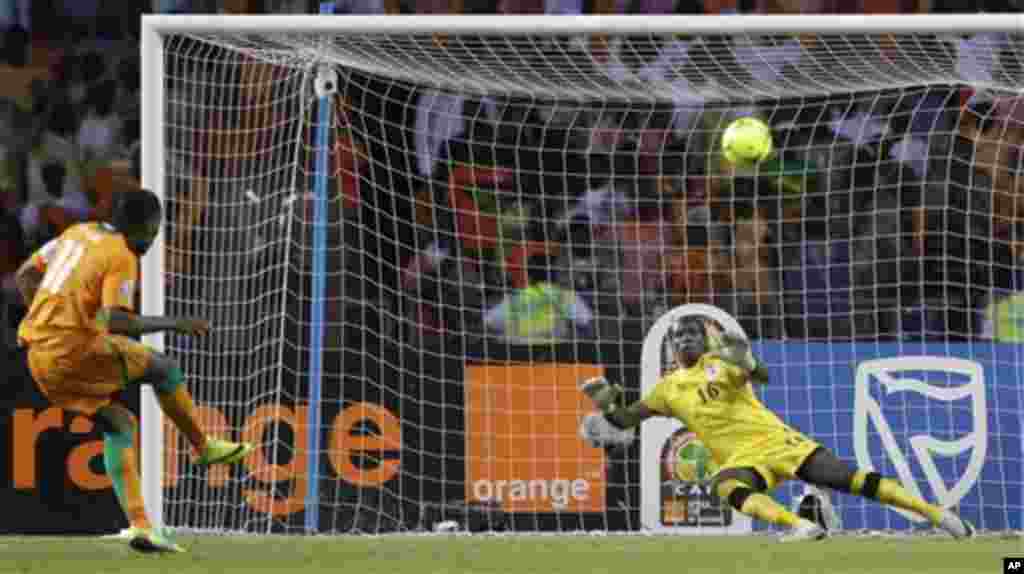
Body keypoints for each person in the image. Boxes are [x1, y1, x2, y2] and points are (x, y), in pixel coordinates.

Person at [579, 314, 975, 542]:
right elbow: (628, 419)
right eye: (678, 335)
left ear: (704, 339)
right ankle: (800, 526)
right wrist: (607, 405)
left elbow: (762, 375)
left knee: (852, 480)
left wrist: (746, 360)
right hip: (738, 458)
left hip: (779, 442)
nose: (684, 339)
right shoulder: (667, 389)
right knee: (726, 487)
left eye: (691, 333)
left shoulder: (720, 363)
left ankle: (936, 514)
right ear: (671, 345)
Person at [13, 188, 253, 554]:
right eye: (154, 231)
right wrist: (176, 323)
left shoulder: (79, 232)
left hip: (38, 358)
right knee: (163, 368)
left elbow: (25, 275)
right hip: (73, 349)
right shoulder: (121, 253)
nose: (154, 239)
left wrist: (45, 319)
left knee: (119, 423)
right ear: (145, 227)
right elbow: (118, 321)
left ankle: (142, 527)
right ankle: (203, 446)